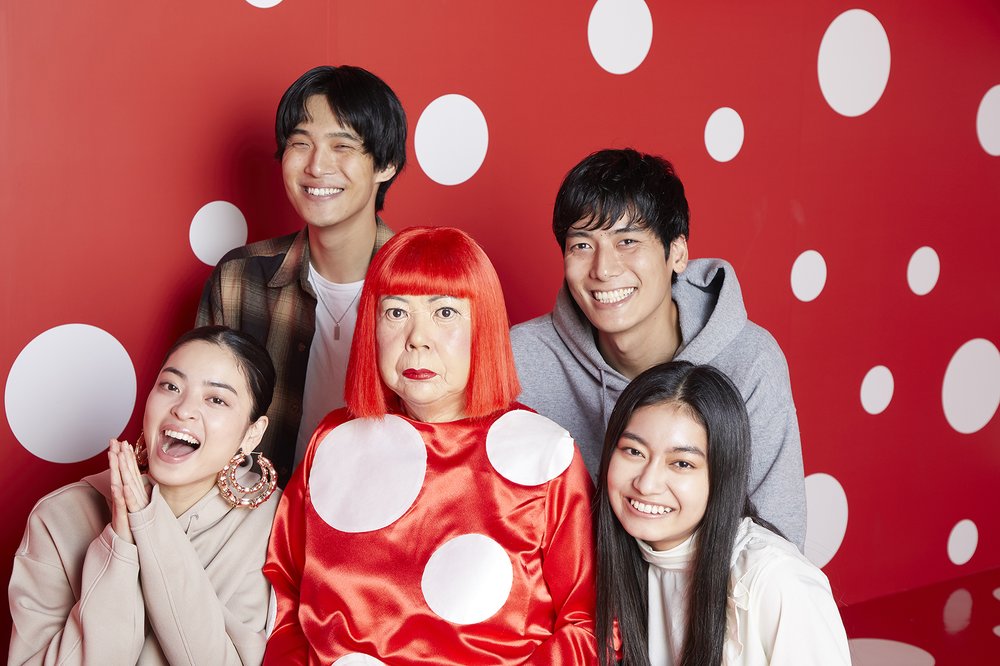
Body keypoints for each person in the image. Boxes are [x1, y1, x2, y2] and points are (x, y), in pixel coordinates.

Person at [264, 227, 597, 664]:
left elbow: (588, 624)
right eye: (396, 312)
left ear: (484, 326)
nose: (416, 338)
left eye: (444, 312)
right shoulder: (333, 441)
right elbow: (283, 597)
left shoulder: (544, 456)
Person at [510, 148, 807, 549]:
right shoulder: (521, 359)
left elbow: (779, 542)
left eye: (628, 241)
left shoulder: (748, 361)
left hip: (712, 600)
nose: (603, 269)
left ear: (677, 253)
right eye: (581, 245)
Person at [8, 326, 281, 665]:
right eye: (171, 386)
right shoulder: (59, 515)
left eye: (216, 399)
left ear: (252, 433)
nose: (183, 409)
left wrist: (148, 525)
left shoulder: (271, 524)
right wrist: (119, 550)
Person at [197, 64, 407, 484]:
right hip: (259, 519)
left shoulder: (429, 287)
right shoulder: (240, 278)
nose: (316, 166)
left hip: (387, 530)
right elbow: (203, 417)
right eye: (300, 143)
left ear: (385, 165)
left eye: (342, 145)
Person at [594, 361, 850, 665]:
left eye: (682, 463)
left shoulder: (774, 580)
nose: (647, 484)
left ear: (722, 476)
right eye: (634, 452)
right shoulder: (618, 558)